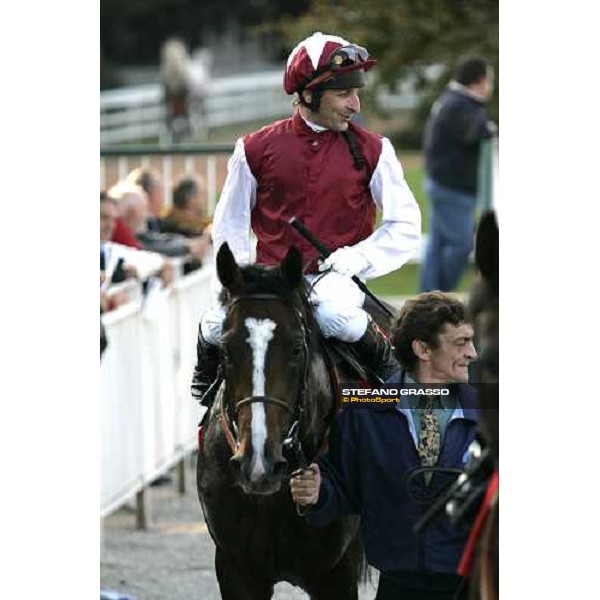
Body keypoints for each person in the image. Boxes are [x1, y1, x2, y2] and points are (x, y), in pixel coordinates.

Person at [192, 31, 421, 408]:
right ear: (310, 94)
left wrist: (358, 258)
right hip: (271, 282)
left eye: (357, 92)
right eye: (344, 94)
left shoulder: (374, 150)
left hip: (335, 280)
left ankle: (391, 375)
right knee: (215, 324)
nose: (355, 104)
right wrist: (243, 278)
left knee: (333, 314)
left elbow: (406, 225)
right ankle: (208, 392)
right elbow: (229, 226)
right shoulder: (253, 148)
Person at [290, 292, 479, 600]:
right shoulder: (362, 410)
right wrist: (316, 493)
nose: (472, 353)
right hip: (398, 586)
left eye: (470, 341)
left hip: (474, 586)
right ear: (422, 349)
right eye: (460, 343)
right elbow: (342, 489)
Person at [420, 57, 496, 293]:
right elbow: (479, 131)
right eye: (489, 79)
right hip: (453, 188)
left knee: (437, 246)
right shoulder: (460, 105)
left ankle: (430, 298)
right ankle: (442, 297)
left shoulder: (450, 100)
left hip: (442, 183)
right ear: (479, 81)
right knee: (461, 245)